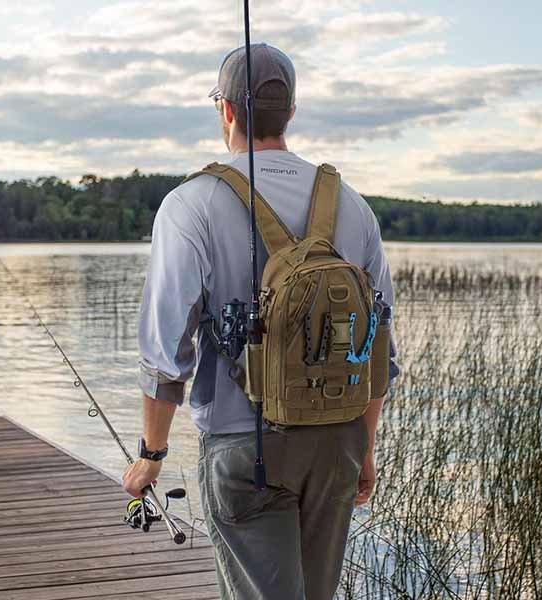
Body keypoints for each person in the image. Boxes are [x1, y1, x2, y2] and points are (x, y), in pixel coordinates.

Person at [124, 43, 398, 600]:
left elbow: (166, 352)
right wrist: (363, 449)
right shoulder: (352, 204)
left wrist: (152, 455)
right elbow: (379, 350)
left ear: (226, 110)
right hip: (337, 440)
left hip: (244, 446)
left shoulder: (191, 203)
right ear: (290, 111)